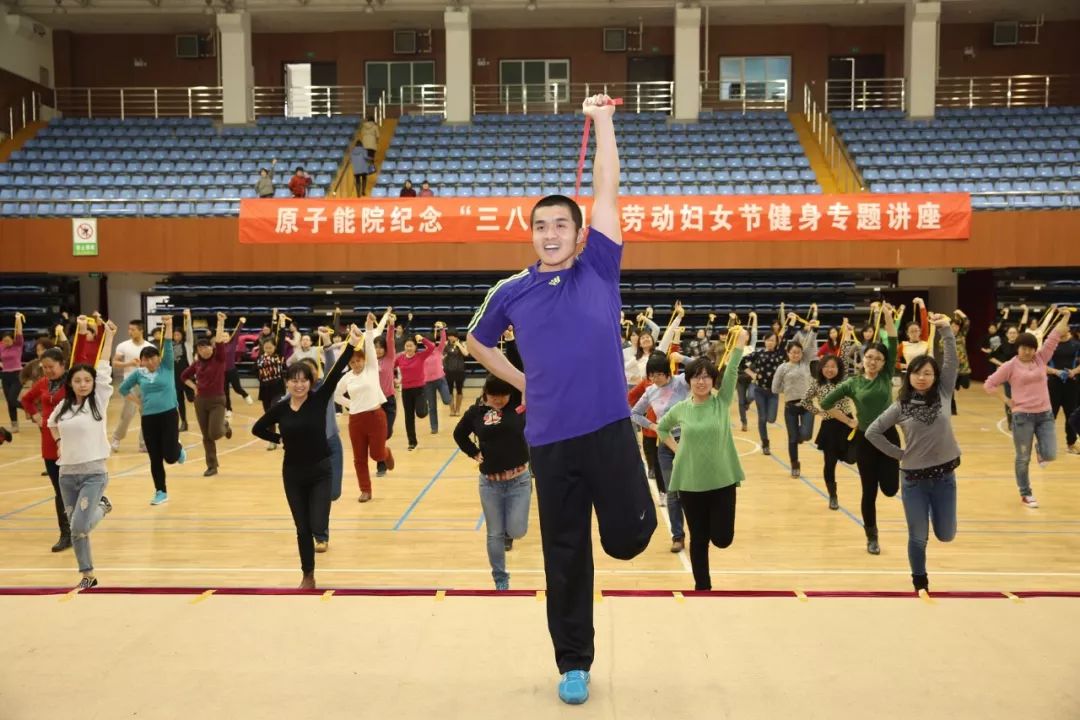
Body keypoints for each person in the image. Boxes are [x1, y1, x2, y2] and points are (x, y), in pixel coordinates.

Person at [467, 95, 656, 706]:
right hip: (549, 441)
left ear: (579, 234)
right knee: (565, 554)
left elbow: (606, 189)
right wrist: (523, 383)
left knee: (626, 540)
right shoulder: (512, 290)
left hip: (608, 431)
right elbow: (477, 342)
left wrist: (602, 122)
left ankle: (633, 520)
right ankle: (573, 662)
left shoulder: (598, 268)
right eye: (541, 226)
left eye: (560, 226)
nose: (550, 234)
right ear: (532, 235)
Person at [252, 324, 359, 590]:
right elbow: (258, 428)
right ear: (287, 382)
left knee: (317, 523)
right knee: (302, 529)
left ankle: (320, 536)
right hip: (293, 475)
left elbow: (335, 372)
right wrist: (279, 439)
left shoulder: (318, 400)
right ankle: (308, 574)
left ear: (310, 382)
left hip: (321, 471)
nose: (299, 385)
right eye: (294, 380)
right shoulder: (280, 408)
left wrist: (351, 344)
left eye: (303, 380)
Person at [866, 313, 959, 594]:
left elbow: (951, 361)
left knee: (946, 535)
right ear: (909, 375)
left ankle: (936, 515)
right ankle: (920, 580)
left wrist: (945, 330)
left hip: (944, 479)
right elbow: (872, 432)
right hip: (914, 481)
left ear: (935, 376)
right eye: (917, 373)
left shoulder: (943, 392)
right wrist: (899, 454)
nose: (922, 377)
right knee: (918, 538)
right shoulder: (901, 405)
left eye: (927, 373)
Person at [655, 333, 749, 591]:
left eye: (706, 376)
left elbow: (732, 371)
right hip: (691, 483)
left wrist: (739, 345)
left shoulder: (721, 402)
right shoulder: (681, 409)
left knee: (722, 539)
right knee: (699, 539)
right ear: (689, 381)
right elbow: (662, 429)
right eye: (696, 376)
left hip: (722, 481)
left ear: (712, 381)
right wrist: (678, 449)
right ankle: (702, 588)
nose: (701, 381)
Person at [819, 303, 899, 555]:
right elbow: (825, 403)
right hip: (865, 440)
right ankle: (871, 536)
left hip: (889, 437)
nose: (873, 361)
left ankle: (886, 483)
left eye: (878, 358)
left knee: (890, 489)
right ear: (863, 359)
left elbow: (893, 340)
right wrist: (849, 421)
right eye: (869, 357)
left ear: (884, 363)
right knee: (869, 491)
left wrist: (888, 315)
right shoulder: (852, 383)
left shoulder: (886, 375)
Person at [47, 317, 118, 590]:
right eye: (78, 380)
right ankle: (87, 575)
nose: (83, 384)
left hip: (93, 474)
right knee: (76, 528)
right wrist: (58, 442)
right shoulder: (64, 406)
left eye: (88, 380)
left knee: (79, 526)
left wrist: (108, 337)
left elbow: (104, 367)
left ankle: (102, 506)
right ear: (71, 383)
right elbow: (51, 423)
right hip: (67, 475)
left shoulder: (98, 401)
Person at [984, 308, 1072, 508]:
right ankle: (1026, 493)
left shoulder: (1040, 358)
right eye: (1024, 348)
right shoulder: (1009, 366)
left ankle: (1040, 450)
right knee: (1023, 458)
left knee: (1050, 454)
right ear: (1018, 348)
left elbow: (1054, 336)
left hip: (1045, 414)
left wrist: (1066, 316)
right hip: (1022, 417)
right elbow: (989, 384)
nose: (1028, 351)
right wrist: (1007, 400)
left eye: (1031, 348)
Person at [453, 375, 531, 591]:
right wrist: (473, 452)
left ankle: (508, 526)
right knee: (494, 533)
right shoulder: (476, 412)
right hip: (490, 484)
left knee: (517, 530)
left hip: (519, 481)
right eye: (494, 396)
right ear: (486, 393)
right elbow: (459, 434)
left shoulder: (518, 405)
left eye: (503, 396)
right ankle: (500, 578)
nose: (499, 400)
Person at [120, 315, 186, 506]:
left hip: (169, 415)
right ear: (141, 361)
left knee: (170, 457)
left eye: (152, 358)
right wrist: (138, 402)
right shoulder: (138, 374)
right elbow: (123, 389)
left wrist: (169, 325)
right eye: (146, 359)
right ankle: (160, 491)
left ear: (158, 358)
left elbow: (168, 344)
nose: (150, 362)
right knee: (155, 458)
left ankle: (178, 450)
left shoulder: (167, 367)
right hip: (149, 419)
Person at [631, 352, 689, 553]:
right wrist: (653, 426)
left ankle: (699, 531)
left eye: (658, 374)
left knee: (691, 490)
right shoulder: (650, 391)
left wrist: (682, 358)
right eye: (651, 375)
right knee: (672, 492)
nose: (654, 379)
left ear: (667, 372)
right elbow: (634, 413)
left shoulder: (681, 382)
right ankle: (678, 536)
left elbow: (702, 368)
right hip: (665, 445)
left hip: (687, 442)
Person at [336, 312, 395, 503]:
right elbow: (336, 395)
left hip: (375, 417)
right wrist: (351, 404)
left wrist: (369, 326)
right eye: (352, 362)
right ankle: (365, 490)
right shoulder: (347, 378)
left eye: (358, 360)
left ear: (364, 360)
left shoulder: (371, 368)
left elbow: (369, 343)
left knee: (377, 455)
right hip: (355, 421)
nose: (356, 364)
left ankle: (386, 453)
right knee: (359, 458)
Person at [21, 346, 73, 550]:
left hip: (72, 442)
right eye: (45, 367)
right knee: (60, 491)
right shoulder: (43, 383)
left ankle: (80, 527)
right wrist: (36, 415)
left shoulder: (73, 382)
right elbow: (26, 399)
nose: (48, 371)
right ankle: (66, 534)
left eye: (51, 366)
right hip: (50, 443)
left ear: (62, 365)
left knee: (75, 489)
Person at [180, 313, 232, 477]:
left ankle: (225, 426)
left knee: (214, 433)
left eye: (206, 347)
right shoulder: (197, 364)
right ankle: (212, 465)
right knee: (206, 436)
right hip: (200, 401)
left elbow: (219, 341)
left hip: (217, 400)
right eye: (200, 348)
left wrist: (220, 322)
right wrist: (194, 387)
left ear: (211, 347)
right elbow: (183, 376)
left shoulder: (219, 358)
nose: (203, 350)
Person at [801, 355, 855, 510]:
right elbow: (805, 401)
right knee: (830, 463)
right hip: (829, 428)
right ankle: (833, 496)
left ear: (839, 369)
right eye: (826, 366)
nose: (829, 370)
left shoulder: (844, 382)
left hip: (848, 424)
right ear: (821, 368)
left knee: (852, 458)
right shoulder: (817, 384)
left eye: (833, 366)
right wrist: (818, 412)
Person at [771, 316, 818, 478]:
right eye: (793, 352)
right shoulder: (782, 368)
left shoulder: (806, 363)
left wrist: (814, 330)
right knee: (792, 439)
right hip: (790, 407)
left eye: (798, 352)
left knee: (806, 435)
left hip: (807, 405)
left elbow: (810, 344)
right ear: (788, 353)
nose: (796, 354)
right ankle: (795, 464)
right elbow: (775, 388)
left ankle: (799, 436)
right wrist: (787, 389)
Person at [110, 319, 151, 453]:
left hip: (146, 384)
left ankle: (144, 443)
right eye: (129, 329)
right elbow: (115, 363)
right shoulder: (123, 346)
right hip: (130, 384)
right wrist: (129, 364)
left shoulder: (150, 347)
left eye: (133, 329)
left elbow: (155, 365)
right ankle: (117, 437)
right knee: (128, 413)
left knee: (147, 414)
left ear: (141, 330)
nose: (130, 332)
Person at [394, 333, 434, 451]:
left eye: (411, 346)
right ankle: (412, 442)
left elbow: (432, 347)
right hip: (406, 390)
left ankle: (424, 406)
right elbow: (390, 367)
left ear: (415, 347)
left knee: (421, 413)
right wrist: (394, 379)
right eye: (407, 346)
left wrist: (422, 339)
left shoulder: (420, 356)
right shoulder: (400, 358)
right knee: (409, 417)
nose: (409, 348)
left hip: (419, 389)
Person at [256, 314, 288, 450]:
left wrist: (282, 324)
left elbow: (281, 339)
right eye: (266, 348)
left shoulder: (278, 355)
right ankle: (273, 440)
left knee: (277, 411)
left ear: (274, 348)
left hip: (277, 388)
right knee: (269, 416)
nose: (268, 350)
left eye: (270, 348)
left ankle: (287, 437)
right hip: (264, 390)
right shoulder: (260, 358)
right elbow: (256, 371)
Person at [1046, 324, 1080, 454]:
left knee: (1071, 414)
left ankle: (1071, 444)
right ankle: (1045, 444)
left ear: (1068, 328)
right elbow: (1041, 365)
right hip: (1053, 384)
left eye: (1063, 326)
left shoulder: (1076, 344)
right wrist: (1056, 372)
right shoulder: (1050, 345)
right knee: (1050, 416)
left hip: (1071, 385)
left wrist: (1074, 371)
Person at [373, 313, 397, 477]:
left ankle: (385, 452)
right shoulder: (369, 361)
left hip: (388, 401)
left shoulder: (389, 358)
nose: (378, 349)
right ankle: (381, 465)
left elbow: (390, 340)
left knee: (386, 433)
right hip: (374, 403)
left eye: (381, 347)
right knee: (379, 435)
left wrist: (390, 326)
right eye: (375, 347)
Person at [422, 323, 451, 434]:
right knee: (432, 407)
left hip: (440, 380)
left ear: (433, 343)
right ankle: (434, 427)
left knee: (447, 400)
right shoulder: (422, 355)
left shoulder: (438, 350)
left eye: (431, 342)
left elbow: (443, 339)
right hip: (428, 384)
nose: (429, 345)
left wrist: (442, 328)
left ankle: (448, 398)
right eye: (426, 343)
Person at [222, 316, 254, 415]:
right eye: (222, 336)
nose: (224, 338)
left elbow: (236, 332)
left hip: (232, 371)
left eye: (226, 336)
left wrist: (241, 323)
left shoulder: (232, 343)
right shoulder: (218, 347)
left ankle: (245, 395)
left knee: (237, 388)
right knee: (225, 392)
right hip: (222, 373)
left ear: (229, 337)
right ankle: (228, 409)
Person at [1, 312, 26, 433]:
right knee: (9, 402)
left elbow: (19, 332)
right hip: (5, 376)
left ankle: (30, 408)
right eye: (4, 341)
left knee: (12, 399)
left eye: (8, 340)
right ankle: (14, 426)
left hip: (17, 375)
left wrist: (18, 319)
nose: (6, 342)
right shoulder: (1, 346)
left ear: (13, 339)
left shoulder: (18, 345)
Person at [443, 331, 469, 417]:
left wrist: (459, 345)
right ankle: (452, 409)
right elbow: (442, 355)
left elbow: (466, 353)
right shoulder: (446, 344)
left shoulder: (462, 343)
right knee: (449, 391)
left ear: (456, 336)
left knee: (459, 390)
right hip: (448, 370)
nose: (450, 338)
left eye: (452, 336)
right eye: (449, 336)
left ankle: (458, 409)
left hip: (459, 370)